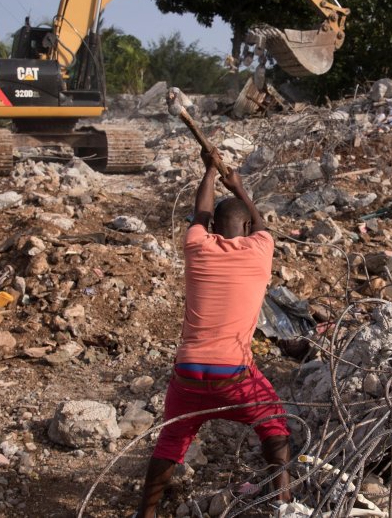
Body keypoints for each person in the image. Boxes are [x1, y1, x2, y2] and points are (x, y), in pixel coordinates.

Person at [132, 149, 292, 517]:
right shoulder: (260, 251)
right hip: (233, 375)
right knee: (274, 424)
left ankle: (146, 513)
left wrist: (208, 172)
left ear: (213, 228)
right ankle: (283, 503)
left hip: (187, 372)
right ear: (246, 229)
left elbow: (201, 213)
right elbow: (259, 223)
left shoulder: (197, 247)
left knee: (172, 440)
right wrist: (239, 187)